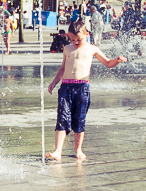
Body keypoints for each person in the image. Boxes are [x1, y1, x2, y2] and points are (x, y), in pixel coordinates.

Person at [46, 20, 128, 162]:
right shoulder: (67, 49)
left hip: (82, 87)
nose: (76, 42)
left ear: (86, 34)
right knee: (62, 117)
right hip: (65, 86)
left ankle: (78, 149)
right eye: (73, 39)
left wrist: (118, 60)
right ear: (68, 37)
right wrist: (54, 82)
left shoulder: (92, 49)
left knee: (79, 118)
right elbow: (63, 69)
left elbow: (108, 63)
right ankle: (58, 151)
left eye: (79, 39)